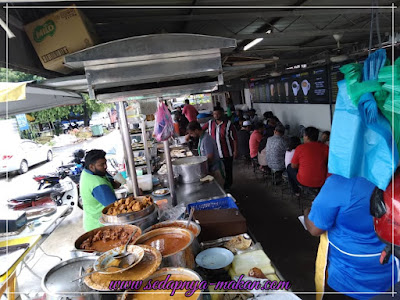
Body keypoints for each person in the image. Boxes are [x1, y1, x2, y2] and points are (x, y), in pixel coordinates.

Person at [304, 175, 398, 300]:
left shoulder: (340, 183)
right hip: (389, 275)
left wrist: (307, 212)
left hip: (346, 281)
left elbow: (315, 228)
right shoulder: (395, 180)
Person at [80, 150, 121, 231]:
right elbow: (115, 207)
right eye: (102, 164)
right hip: (99, 226)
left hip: (91, 220)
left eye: (105, 163)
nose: (106, 166)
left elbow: (107, 179)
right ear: (91, 166)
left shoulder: (88, 172)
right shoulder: (98, 185)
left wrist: (112, 183)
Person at [203, 106, 238, 190]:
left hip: (227, 153)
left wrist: (235, 151)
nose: (216, 115)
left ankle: (228, 186)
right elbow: (201, 131)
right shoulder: (210, 123)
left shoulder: (229, 124)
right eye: (215, 114)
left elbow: (235, 139)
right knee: (217, 171)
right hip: (215, 153)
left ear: (222, 114)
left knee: (228, 170)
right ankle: (220, 187)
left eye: (218, 114)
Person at [287, 126, 329, 196]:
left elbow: (293, 166)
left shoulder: (300, 148)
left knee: (289, 167)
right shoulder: (326, 147)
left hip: (304, 181)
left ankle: (296, 191)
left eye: (304, 135)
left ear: (306, 136)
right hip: (321, 181)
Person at [187, 121, 225, 187]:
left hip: (215, 170)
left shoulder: (206, 139)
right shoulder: (202, 138)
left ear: (196, 130)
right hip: (211, 168)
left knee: (219, 189)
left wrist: (198, 166)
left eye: (191, 133)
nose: (191, 135)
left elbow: (210, 157)